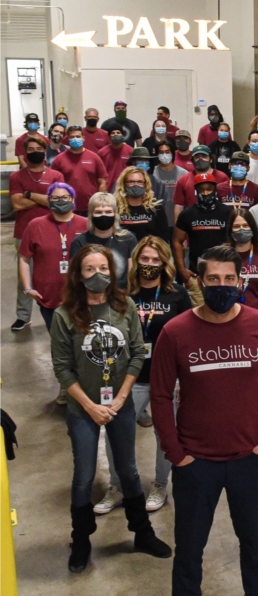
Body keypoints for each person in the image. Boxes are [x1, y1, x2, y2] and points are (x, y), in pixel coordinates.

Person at [151, 245, 258, 596]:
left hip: (250, 457)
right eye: (214, 280)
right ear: (199, 281)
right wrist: (176, 453)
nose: (223, 287)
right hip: (197, 462)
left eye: (231, 280)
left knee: (254, 544)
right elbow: (158, 396)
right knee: (190, 550)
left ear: (241, 281)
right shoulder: (175, 332)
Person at [50, 244, 172, 573]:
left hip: (120, 406)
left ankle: (142, 533)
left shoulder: (124, 306)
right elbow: (62, 368)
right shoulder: (65, 316)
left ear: (112, 272)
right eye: (89, 269)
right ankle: (82, 540)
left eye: (103, 268)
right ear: (77, 274)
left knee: (129, 470)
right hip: (83, 409)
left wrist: (119, 400)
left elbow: (135, 353)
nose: (97, 275)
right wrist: (90, 406)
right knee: (84, 477)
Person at [96, 236, 191, 514]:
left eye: (156, 260)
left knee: (167, 435)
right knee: (117, 434)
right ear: (135, 261)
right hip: (130, 379)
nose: (150, 265)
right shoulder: (122, 295)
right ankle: (117, 486)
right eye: (144, 259)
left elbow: (189, 338)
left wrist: (184, 380)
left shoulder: (178, 294)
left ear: (165, 263)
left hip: (167, 379)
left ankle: (161, 484)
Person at [19, 182, 89, 335]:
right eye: (55, 198)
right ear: (49, 200)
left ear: (72, 199)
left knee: (82, 340)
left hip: (80, 294)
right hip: (48, 296)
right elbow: (24, 258)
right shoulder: (35, 225)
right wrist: (27, 288)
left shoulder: (86, 225)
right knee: (58, 339)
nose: (60, 201)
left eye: (64, 197)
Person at [9, 138, 64, 331]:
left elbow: (57, 202)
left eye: (39, 148)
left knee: (57, 273)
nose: (35, 151)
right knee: (25, 275)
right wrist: (45, 199)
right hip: (24, 232)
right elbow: (16, 204)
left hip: (53, 230)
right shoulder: (16, 177)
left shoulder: (56, 175)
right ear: (25, 152)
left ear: (44, 151)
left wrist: (29, 195)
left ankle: (60, 310)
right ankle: (23, 316)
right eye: (30, 149)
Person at [173, 173, 234, 306]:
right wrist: (182, 270)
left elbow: (235, 241)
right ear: (196, 191)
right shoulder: (187, 214)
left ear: (215, 190)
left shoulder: (227, 212)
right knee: (199, 317)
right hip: (196, 275)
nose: (205, 193)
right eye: (202, 190)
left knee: (223, 311)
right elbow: (177, 241)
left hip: (222, 275)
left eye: (209, 189)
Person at [70, 192, 138, 290]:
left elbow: (132, 275)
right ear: (90, 214)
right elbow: (75, 277)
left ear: (115, 214)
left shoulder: (128, 239)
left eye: (108, 212)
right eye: (98, 212)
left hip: (121, 295)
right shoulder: (79, 242)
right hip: (90, 294)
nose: (104, 216)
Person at [224, 207, 258, 312]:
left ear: (253, 228)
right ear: (230, 229)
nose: (242, 229)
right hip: (230, 311)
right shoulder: (224, 254)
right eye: (236, 226)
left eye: (246, 225)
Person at [52, 126, 108, 215]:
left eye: (78, 137)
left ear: (83, 138)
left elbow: (102, 182)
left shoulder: (94, 157)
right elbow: (54, 185)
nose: (75, 139)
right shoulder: (59, 160)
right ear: (68, 139)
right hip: (67, 207)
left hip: (91, 208)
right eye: (72, 137)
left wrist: (100, 203)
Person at [115, 166, 171, 243]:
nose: (136, 185)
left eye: (139, 182)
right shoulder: (115, 208)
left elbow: (162, 239)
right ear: (124, 184)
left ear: (145, 184)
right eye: (131, 182)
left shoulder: (156, 209)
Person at [170, 145, 227, 217]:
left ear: (211, 159)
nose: (200, 159)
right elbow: (179, 206)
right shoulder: (183, 180)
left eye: (204, 156)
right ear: (192, 160)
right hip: (191, 222)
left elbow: (227, 204)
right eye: (197, 157)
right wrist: (177, 227)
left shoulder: (222, 177)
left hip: (217, 221)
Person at [151, 142, 188, 227]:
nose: (164, 155)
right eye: (161, 152)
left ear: (172, 153)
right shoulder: (152, 173)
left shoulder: (184, 173)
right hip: (157, 221)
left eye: (167, 152)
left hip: (179, 222)